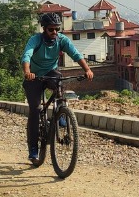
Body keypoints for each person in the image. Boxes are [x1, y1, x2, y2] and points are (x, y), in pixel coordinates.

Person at [22, 12, 93, 161]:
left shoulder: (61, 40)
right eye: (51, 29)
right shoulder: (36, 40)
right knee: (35, 110)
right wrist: (28, 72)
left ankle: (61, 113)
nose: (54, 32)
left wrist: (87, 69)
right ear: (44, 29)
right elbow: (26, 55)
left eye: (57, 29)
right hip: (34, 77)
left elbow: (75, 54)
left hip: (50, 73)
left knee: (59, 83)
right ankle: (33, 148)